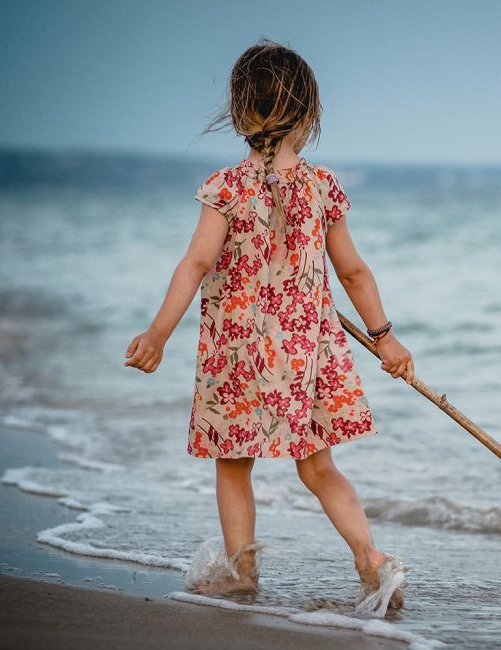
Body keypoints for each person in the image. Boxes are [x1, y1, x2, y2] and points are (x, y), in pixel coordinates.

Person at [123, 38, 411, 616]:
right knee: (319, 466)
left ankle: (241, 571)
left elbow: (195, 265)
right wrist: (385, 338)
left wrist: (157, 334)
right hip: (307, 353)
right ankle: (370, 558)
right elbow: (352, 271)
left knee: (233, 463)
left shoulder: (226, 188)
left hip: (239, 354)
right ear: (309, 114)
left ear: (238, 113)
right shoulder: (321, 186)